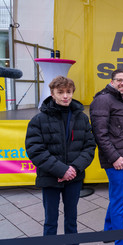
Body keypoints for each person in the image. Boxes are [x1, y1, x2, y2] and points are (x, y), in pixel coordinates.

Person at [25, 76, 96, 239]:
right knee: (50, 220)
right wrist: (61, 170)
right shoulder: (39, 120)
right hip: (50, 177)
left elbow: (89, 146)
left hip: (74, 177)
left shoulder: (82, 118)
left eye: (69, 92)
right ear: (52, 93)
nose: (66, 96)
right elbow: (35, 149)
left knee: (72, 219)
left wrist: (74, 169)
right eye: (61, 92)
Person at [90, 69, 123, 245]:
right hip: (117, 162)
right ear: (112, 81)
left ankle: (109, 232)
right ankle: (121, 241)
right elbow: (100, 134)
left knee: (118, 198)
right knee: (120, 202)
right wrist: (114, 157)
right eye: (119, 80)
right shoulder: (103, 100)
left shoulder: (122, 100)